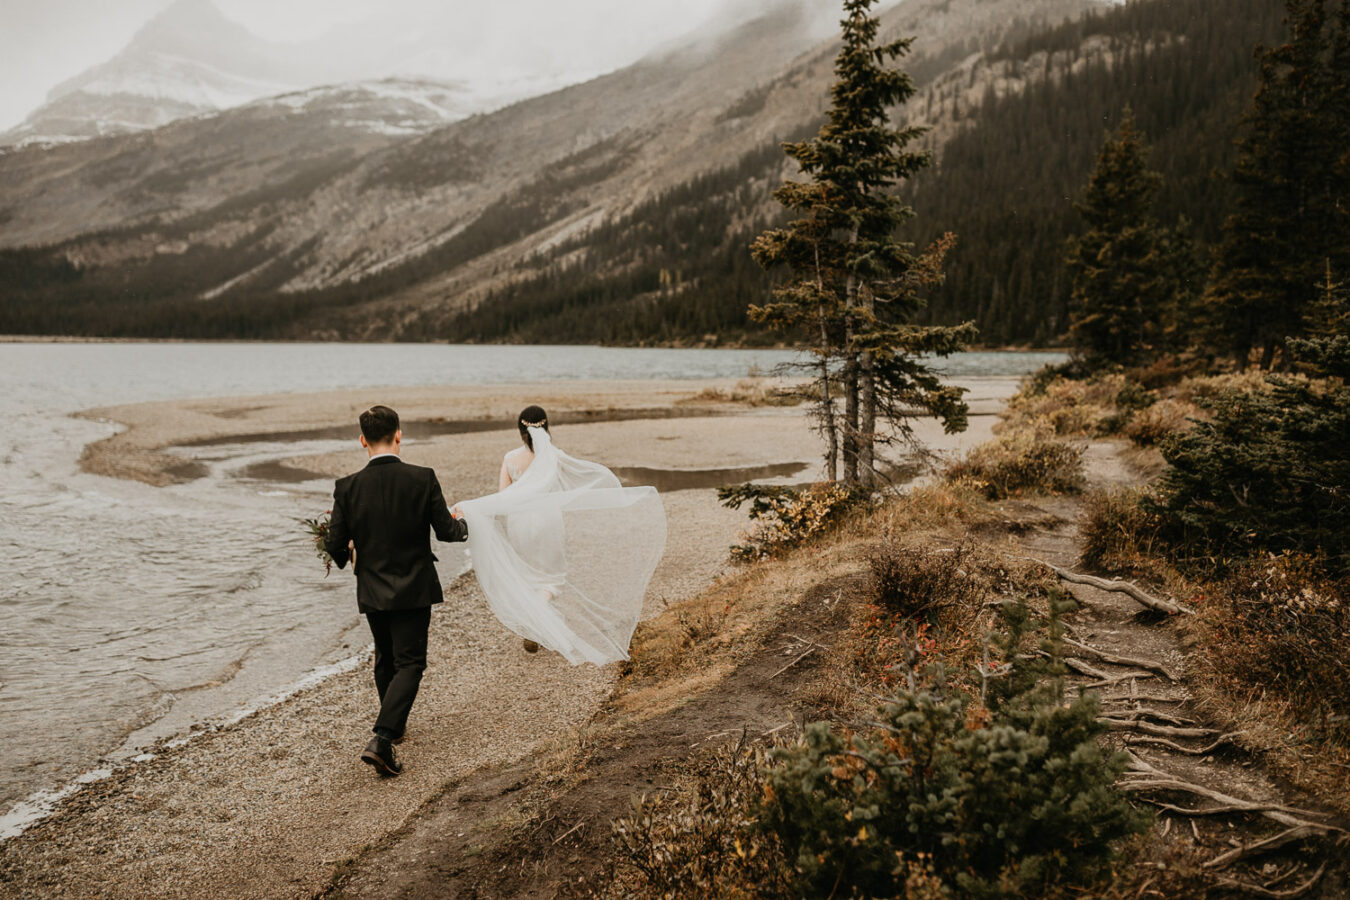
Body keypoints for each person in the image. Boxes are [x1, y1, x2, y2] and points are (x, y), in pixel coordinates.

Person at [454, 405, 666, 666]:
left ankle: (535, 620)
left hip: (519, 523)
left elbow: (503, 497)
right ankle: (541, 611)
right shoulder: (555, 456)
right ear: (546, 427)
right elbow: (569, 486)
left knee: (529, 573)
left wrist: (475, 511)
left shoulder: (510, 458)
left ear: (520, 429)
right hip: (548, 519)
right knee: (553, 577)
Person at [325, 405, 467, 777]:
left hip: (372, 585)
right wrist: (467, 522)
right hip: (414, 586)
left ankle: (396, 726)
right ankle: (383, 737)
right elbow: (447, 532)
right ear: (399, 435)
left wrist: (346, 554)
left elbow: (335, 543)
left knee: (385, 657)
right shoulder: (422, 478)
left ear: (362, 440)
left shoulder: (347, 487)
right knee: (411, 662)